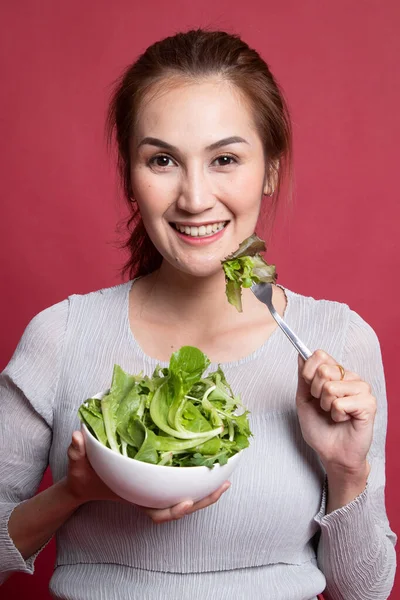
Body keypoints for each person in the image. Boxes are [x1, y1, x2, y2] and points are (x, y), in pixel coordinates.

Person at [0, 29, 396, 600]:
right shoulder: (62, 337)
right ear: (131, 178)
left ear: (271, 171)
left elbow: (365, 592)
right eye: (162, 160)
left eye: (225, 159)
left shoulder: (336, 341)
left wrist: (346, 469)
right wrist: (75, 491)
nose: (193, 197)